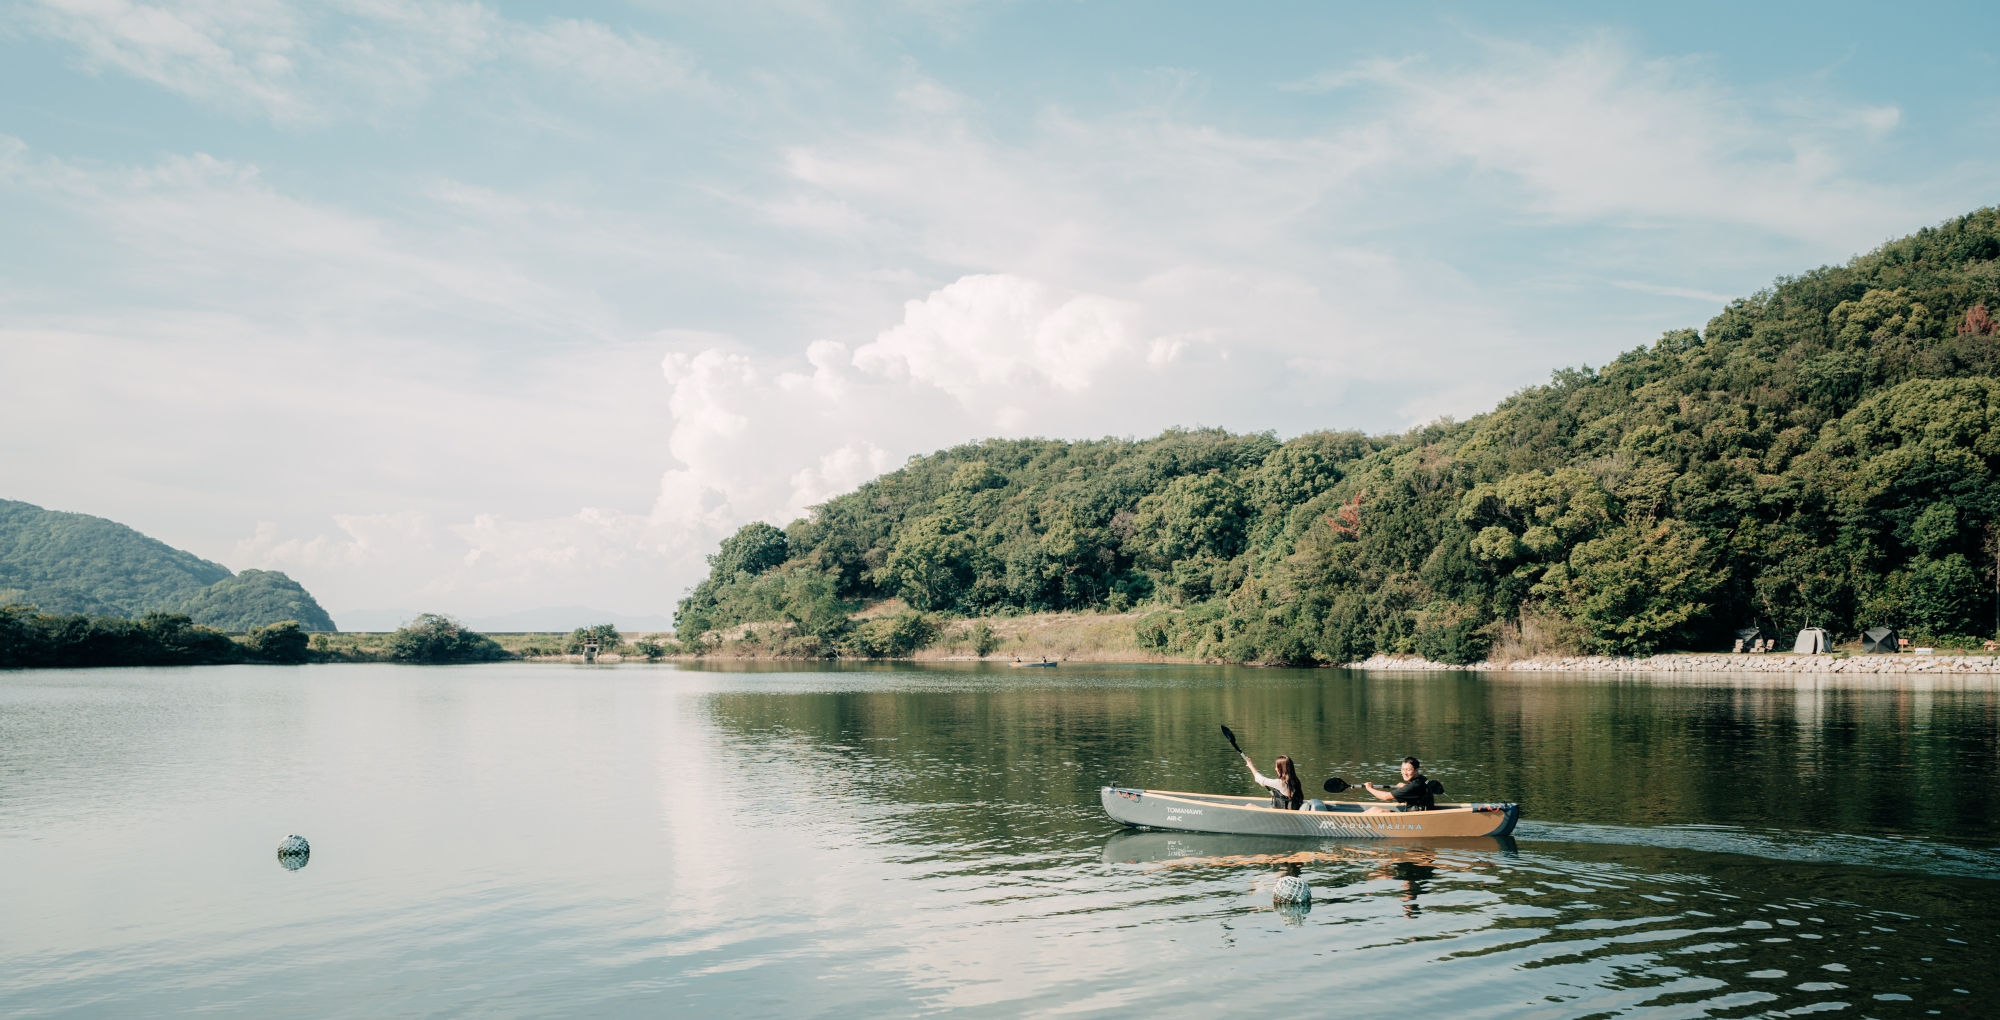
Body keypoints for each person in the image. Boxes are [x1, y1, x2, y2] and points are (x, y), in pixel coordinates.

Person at [1363, 757, 1435, 812]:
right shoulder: (1423, 779)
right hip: (1417, 814)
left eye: (1408, 770)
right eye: (1403, 769)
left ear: (1416, 771)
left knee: (1377, 811)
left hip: (1414, 818)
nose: (1405, 773)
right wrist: (1405, 786)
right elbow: (1416, 792)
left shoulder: (1413, 787)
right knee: (1374, 809)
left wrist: (1369, 788)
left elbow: (1385, 797)